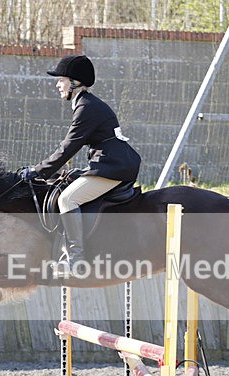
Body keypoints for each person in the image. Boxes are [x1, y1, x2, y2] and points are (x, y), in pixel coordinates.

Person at [20, 55, 141, 278]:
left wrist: (37, 171)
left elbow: (68, 147)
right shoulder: (86, 104)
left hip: (114, 166)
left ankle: (76, 260)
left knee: (68, 199)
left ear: (74, 82)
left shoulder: (86, 107)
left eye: (61, 80)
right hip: (109, 163)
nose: (58, 85)